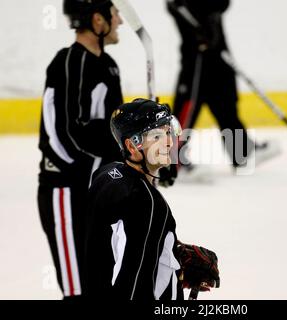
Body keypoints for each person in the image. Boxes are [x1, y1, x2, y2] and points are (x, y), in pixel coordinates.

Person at [84, 98, 220, 300]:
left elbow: (115, 252)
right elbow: (133, 283)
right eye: (157, 135)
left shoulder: (106, 174)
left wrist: (170, 261)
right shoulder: (146, 202)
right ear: (132, 146)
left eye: (167, 132)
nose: (168, 141)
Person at [37, 0, 123, 299]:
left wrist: (146, 163)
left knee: (103, 285)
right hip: (66, 190)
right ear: (98, 20)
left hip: (97, 193)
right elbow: (58, 134)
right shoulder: (68, 63)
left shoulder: (109, 66)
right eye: (115, 14)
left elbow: (116, 135)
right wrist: (91, 177)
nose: (121, 21)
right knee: (78, 292)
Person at [160, 0, 281, 185]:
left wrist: (211, 18)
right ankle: (172, 161)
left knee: (225, 102)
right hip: (197, 51)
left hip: (216, 49)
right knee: (188, 105)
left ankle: (242, 153)